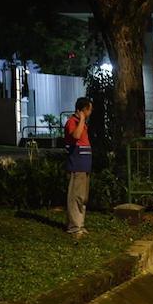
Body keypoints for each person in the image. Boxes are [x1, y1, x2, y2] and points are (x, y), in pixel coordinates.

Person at [63, 97, 94, 238]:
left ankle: (80, 224)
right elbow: (75, 135)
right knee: (75, 197)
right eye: (89, 109)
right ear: (83, 110)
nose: (91, 112)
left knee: (83, 197)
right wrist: (81, 120)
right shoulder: (72, 122)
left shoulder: (82, 124)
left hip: (84, 165)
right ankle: (74, 227)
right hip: (77, 165)